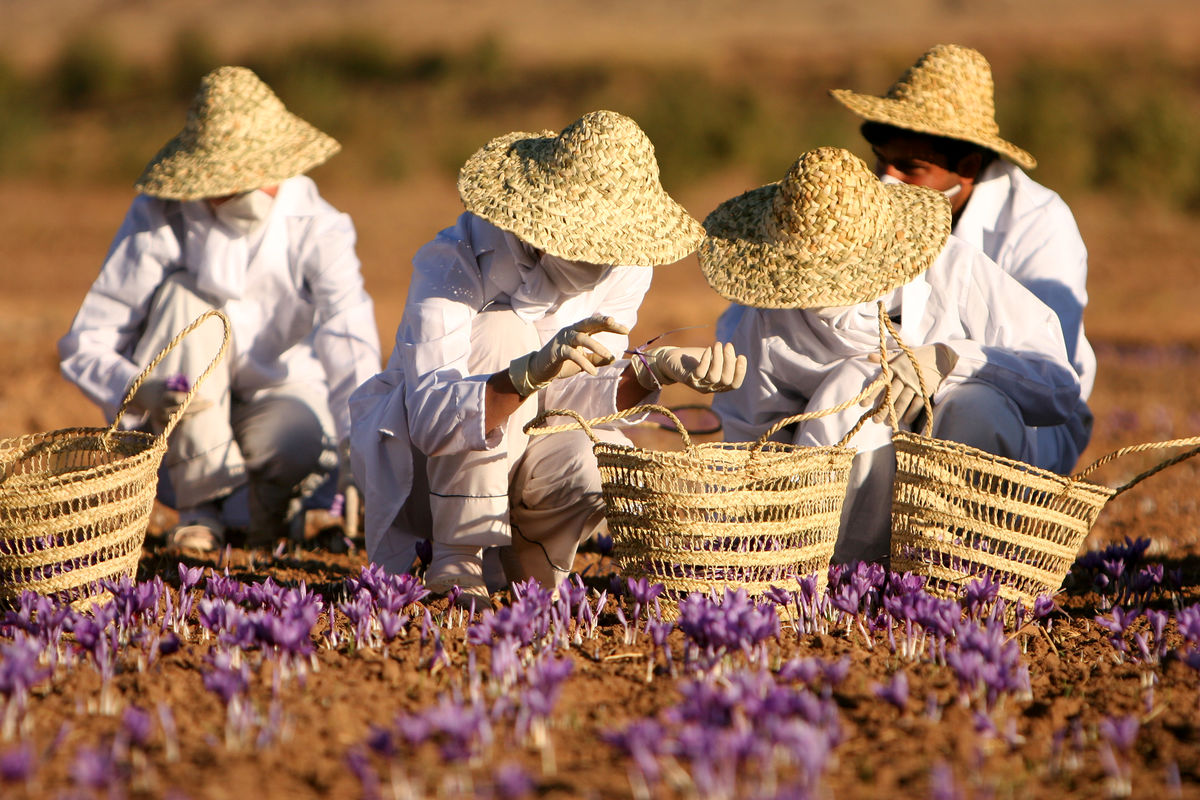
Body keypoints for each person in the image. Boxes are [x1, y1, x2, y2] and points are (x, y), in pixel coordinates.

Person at [349, 109, 746, 602]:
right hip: (428, 472)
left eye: (617, 244)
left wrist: (653, 370)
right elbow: (431, 420)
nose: (606, 258)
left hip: (531, 453)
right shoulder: (454, 262)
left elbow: (579, 405)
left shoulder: (626, 268)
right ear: (538, 228)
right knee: (502, 331)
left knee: (600, 454)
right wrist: (524, 374)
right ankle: (458, 555)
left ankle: (527, 561)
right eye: (588, 242)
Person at [704, 147, 1083, 564]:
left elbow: (1057, 385)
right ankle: (841, 575)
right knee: (853, 384)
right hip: (832, 513)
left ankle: (957, 572)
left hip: (965, 468)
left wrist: (949, 360)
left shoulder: (952, 269)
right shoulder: (769, 317)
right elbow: (750, 441)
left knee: (979, 408)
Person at [58, 66, 381, 552]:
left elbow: (347, 337)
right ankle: (200, 509)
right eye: (230, 178)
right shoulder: (161, 216)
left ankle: (273, 512)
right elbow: (87, 342)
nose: (251, 188)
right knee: (186, 298)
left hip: (277, 403)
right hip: (181, 418)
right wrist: (139, 388)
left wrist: (363, 454)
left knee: (294, 441)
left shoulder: (318, 227)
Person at [830, 43, 1095, 470]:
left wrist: (948, 358)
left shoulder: (1038, 223)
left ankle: (957, 535)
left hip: (1025, 419)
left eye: (910, 168)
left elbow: (1047, 371)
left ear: (968, 166)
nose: (886, 181)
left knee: (974, 411)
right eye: (881, 162)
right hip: (898, 397)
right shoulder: (865, 211)